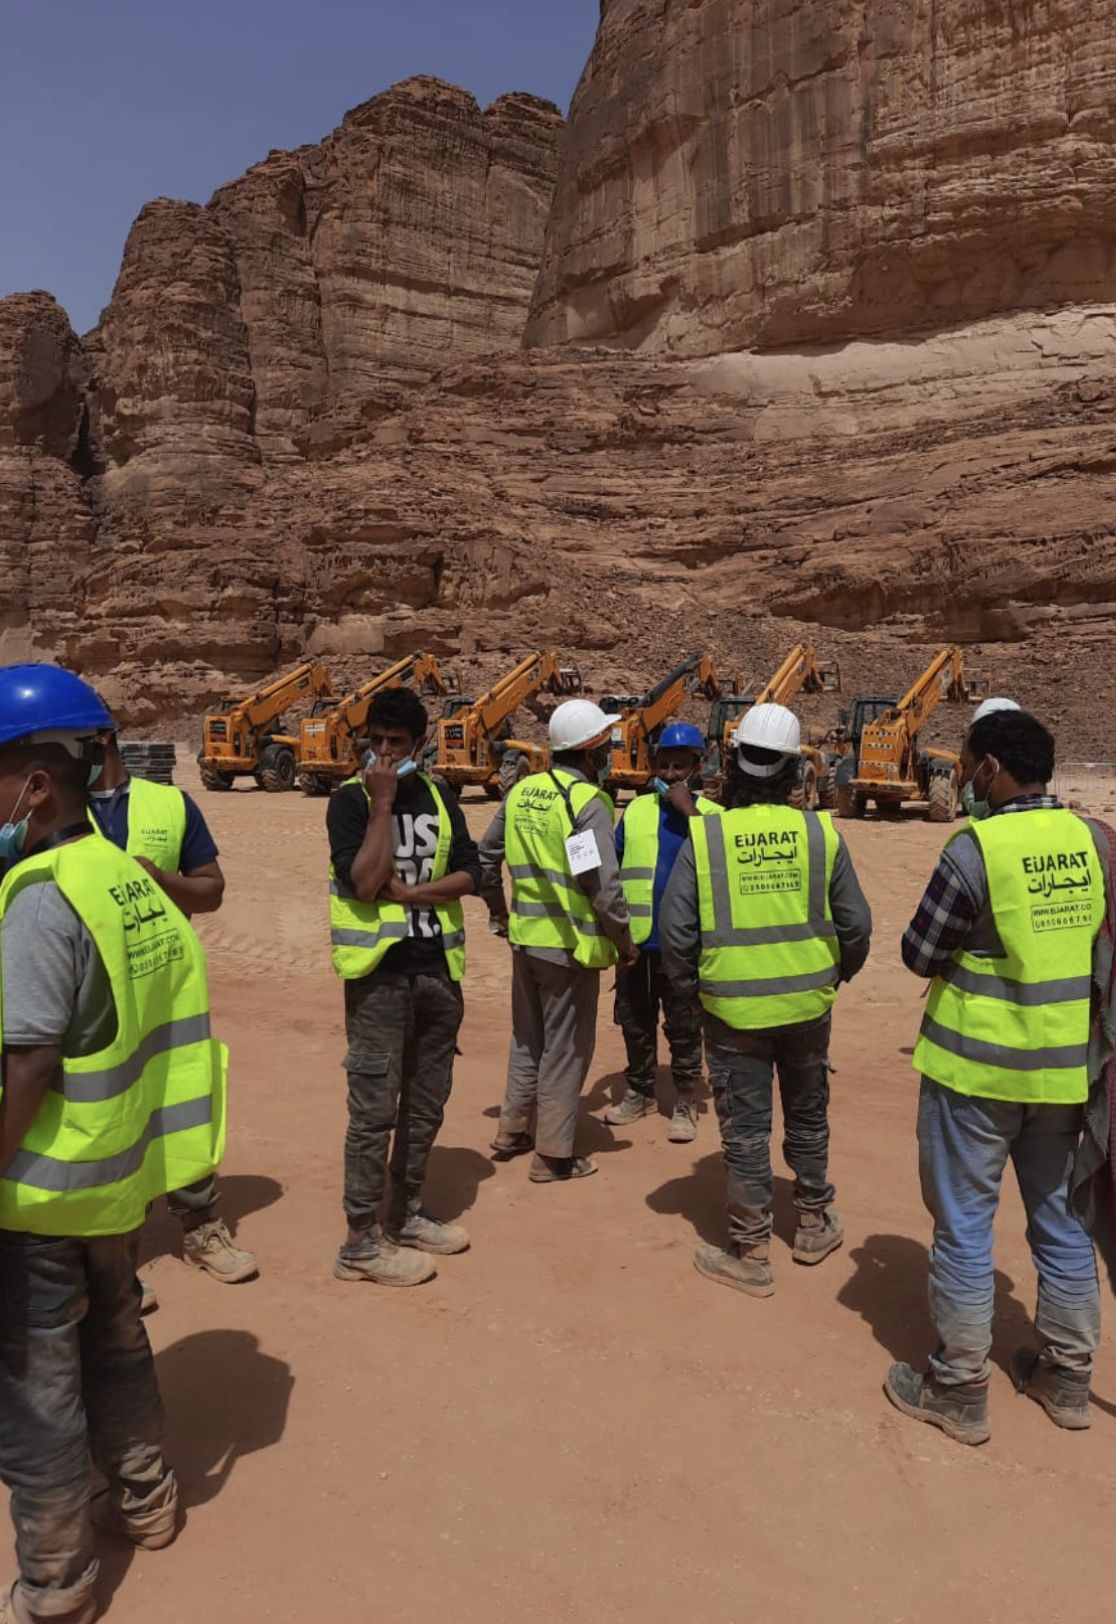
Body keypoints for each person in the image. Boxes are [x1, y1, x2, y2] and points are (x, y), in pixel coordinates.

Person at [0, 663, 226, 1623]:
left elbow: (31, 1063)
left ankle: (55, 1579)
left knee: (38, 1383)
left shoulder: (43, 894)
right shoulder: (129, 884)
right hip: (123, 1173)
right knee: (121, 1337)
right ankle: (146, 1499)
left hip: (44, 1188)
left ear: (36, 785)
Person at [885, 708, 1108, 1447]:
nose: (963, 780)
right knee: (1062, 1220)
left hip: (976, 1075)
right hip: (1067, 1077)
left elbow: (920, 952)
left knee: (964, 1229)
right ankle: (1068, 1378)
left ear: (988, 770)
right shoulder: (1099, 842)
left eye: (967, 767)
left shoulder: (974, 850)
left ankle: (958, 1386)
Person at [662, 703, 872, 1297]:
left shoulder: (706, 837)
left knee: (746, 1131)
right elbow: (856, 927)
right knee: (808, 1113)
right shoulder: (820, 832)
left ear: (732, 763)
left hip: (731, 1012)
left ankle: (751, 1250)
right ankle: (811, 1222)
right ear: (793, 770)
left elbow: (677, 937)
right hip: (808, 1008)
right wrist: (833, 977)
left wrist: (692, 994)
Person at [88, 726, 255, 1295]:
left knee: (181, 1105)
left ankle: (202, 1225)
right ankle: (115, 1261)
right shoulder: (47, 810)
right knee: (105, 1116)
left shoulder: (171, 804)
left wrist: (159, 880)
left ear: (103, 740)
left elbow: (211, 891)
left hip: (162, 990)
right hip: (88, 999)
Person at [326, 686, 480, 1287]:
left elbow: (472, 871)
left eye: (397, 742)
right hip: (379, 979)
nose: (385, 753)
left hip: (438, 971)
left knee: (425, 1103)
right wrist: (382, 803)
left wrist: (418, 894)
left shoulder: (442, 798)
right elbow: (364, 884)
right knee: (372, 1112)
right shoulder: (349, 802)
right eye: (377, 741)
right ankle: (360, 1242)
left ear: (420, 743)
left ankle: (406, 1213)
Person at [481, 699, 639, 1184]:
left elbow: (486, 856)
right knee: (566, 1049)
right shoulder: (585, 803)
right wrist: (625, 941)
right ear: (590, 750)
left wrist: (499, 914)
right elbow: (600, 884)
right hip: (568, 948)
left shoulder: (523, 792)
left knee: (527, 1038)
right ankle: (553, 1155)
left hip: (525, 940)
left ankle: (512, 1129)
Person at [606, 722, 719, 1143]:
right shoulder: (635, 811)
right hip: (636, 942)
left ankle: (686, 1100)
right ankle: (640, 1091)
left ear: (697, 767)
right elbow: (613, 867)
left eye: (680, 767)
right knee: (635, 1021)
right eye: (664, 766)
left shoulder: (712, 817)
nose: (670, 775)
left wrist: (688, 810)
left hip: (685, 945)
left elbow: (718, 864)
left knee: (684, 1024)